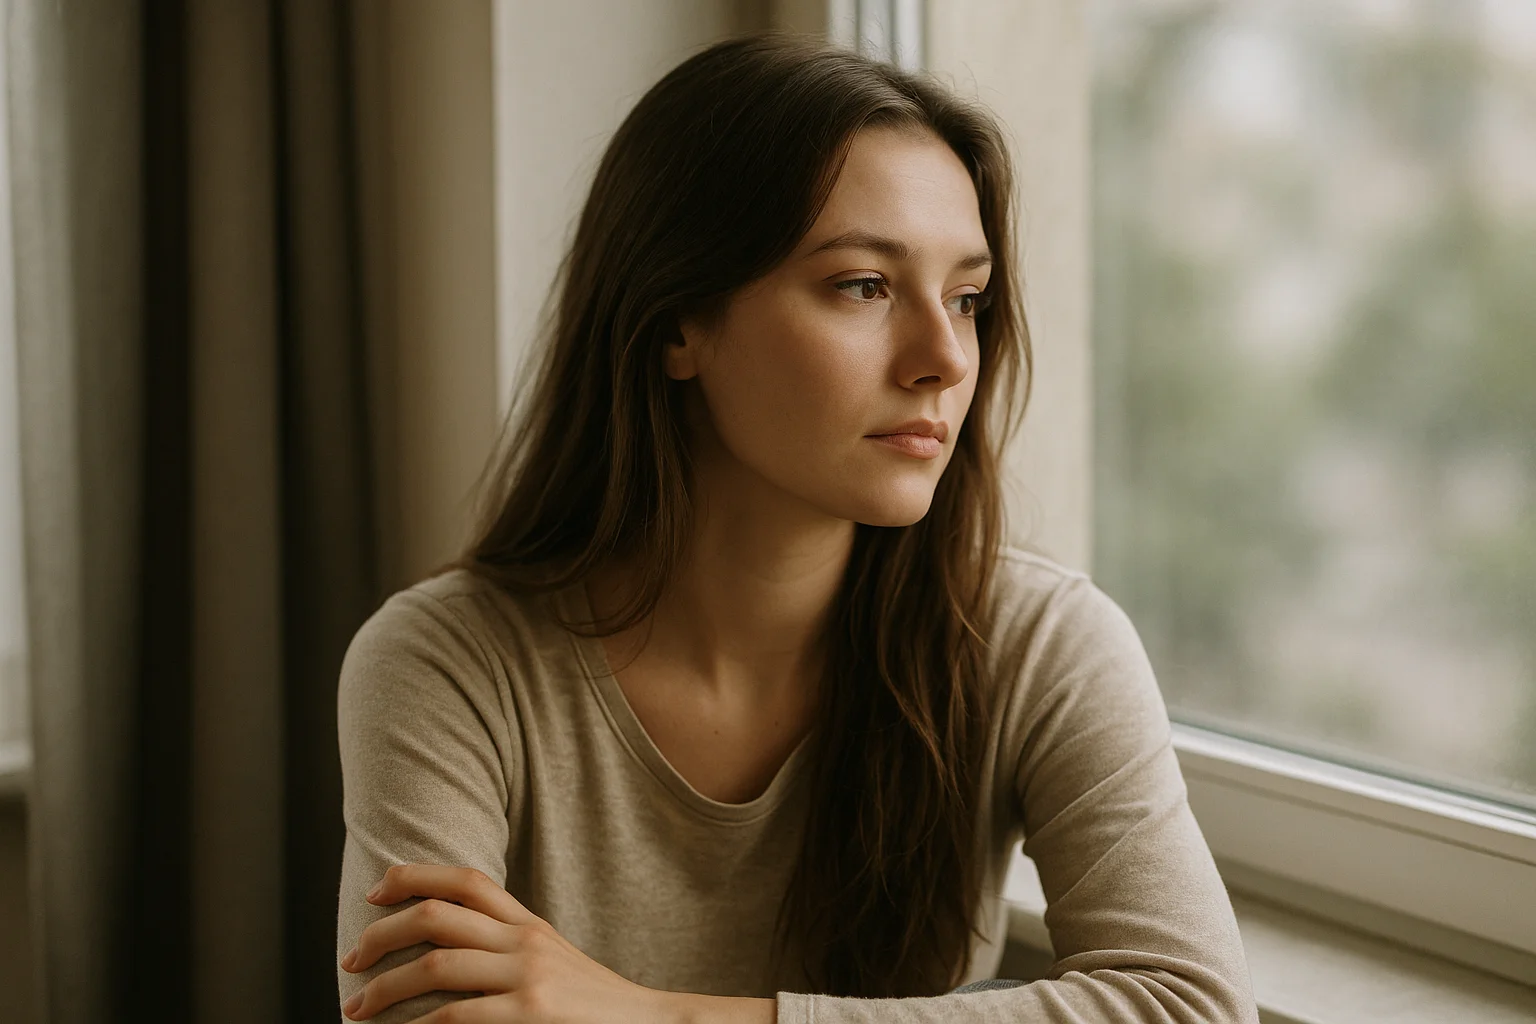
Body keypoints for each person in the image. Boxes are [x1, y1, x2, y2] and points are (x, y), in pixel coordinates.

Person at [333, 30, 1259, 1024]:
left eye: (968, 298)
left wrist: (657, 1015)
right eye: (863, 285)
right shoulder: (448, 665)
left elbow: (1190, 1004)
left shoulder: (1041, 643)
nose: (943, 358)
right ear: (680, 318)